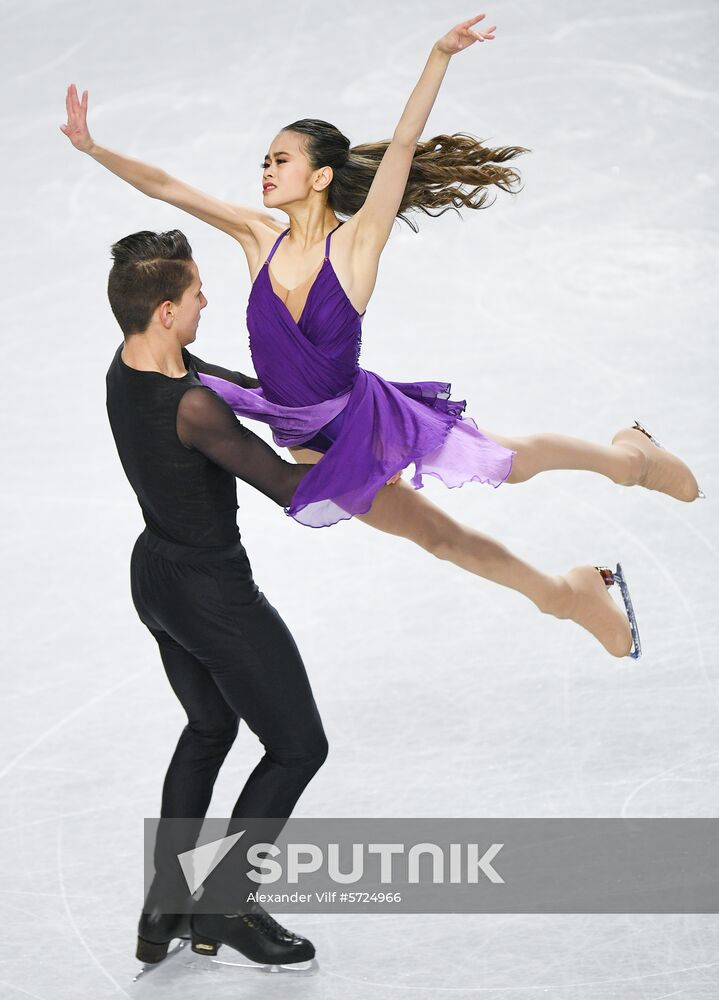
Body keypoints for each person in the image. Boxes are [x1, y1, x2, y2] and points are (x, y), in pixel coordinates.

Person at [62, 14, 703, 662]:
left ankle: (631, 458)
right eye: (265, 161)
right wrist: (93, 149)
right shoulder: (257, 237)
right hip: (309, 439)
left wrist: (439, 54)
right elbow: (169, 187)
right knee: (439, 539)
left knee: (508, 462)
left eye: (280, 160)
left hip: (371, 422)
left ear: (319, 176)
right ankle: (567, 595)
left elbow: (402, 145)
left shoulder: (357, 245)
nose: (266, 170)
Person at [104, 228, 324, 967]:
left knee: (208, 728)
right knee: (298, 746)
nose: (208, 300)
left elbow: (238, 390)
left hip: (156, 579)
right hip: (211, 595)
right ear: (166, 310)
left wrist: (312, 399)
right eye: (197, 292)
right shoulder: (190, 406)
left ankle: (165, 908)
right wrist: (373, 457)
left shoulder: (131, 365)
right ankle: (226, 905)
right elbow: (288, 487)